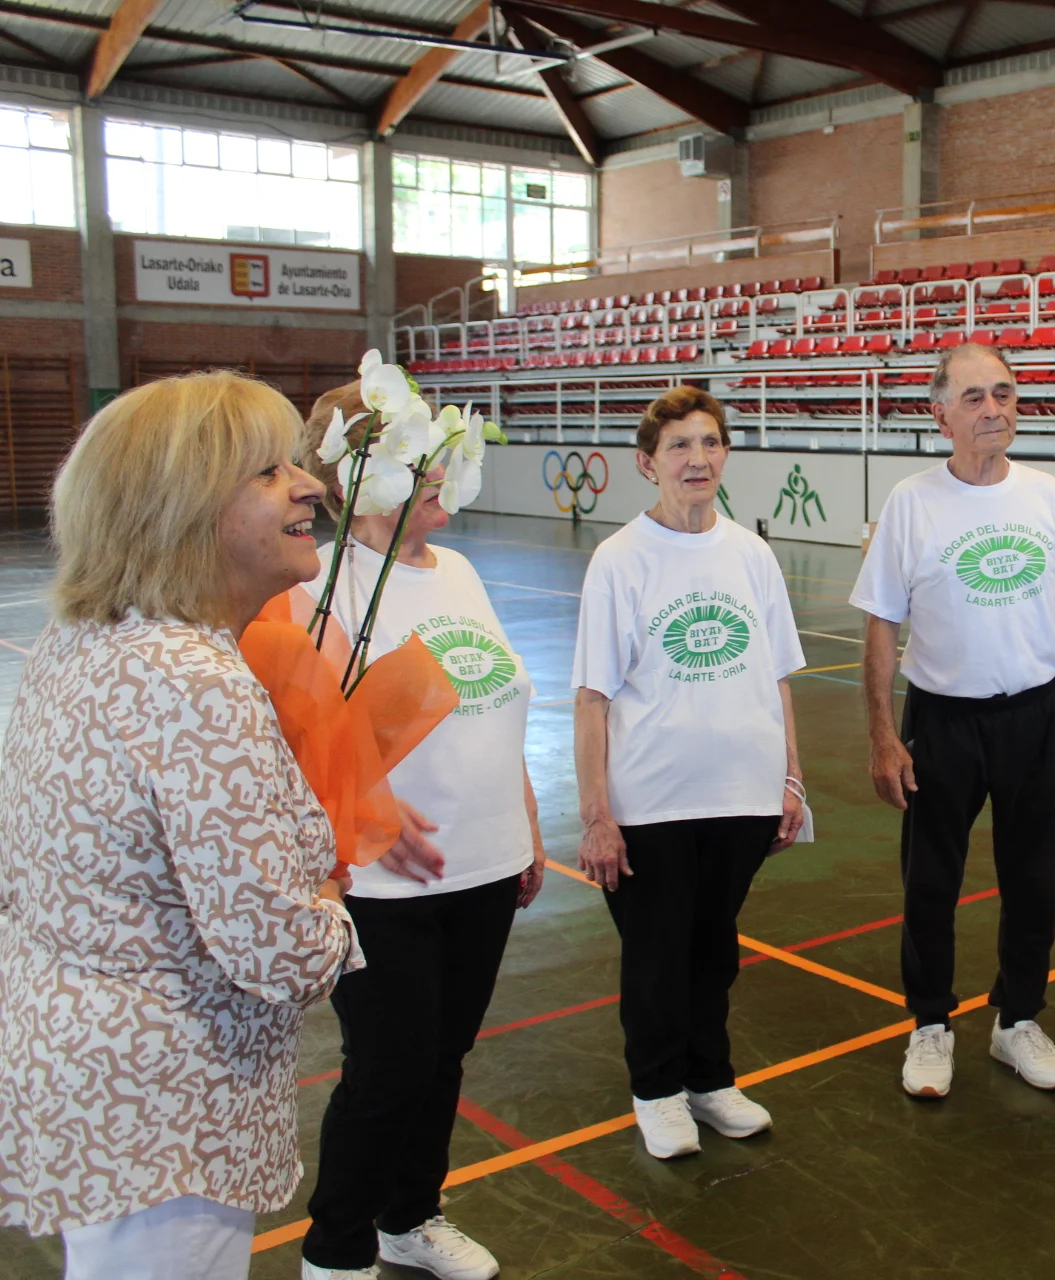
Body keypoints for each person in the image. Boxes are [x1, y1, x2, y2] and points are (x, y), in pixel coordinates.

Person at [0, 372, 360, 1278]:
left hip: (89, 1078)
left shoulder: (85, 640)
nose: (309, 486)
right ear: (185, 510)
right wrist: (328, 897)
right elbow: (278, 952)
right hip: (167, 1105)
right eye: (270, 472)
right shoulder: (192, 681)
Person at [296, 385, 545, 1280]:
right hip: (383, 881)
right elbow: (301, 742)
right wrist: (366, 810)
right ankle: (336, 1249)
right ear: (358, 477)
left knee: (443, 1058)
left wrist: (525, 821)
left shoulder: (461, 572)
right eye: (417, 455)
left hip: (485, 864)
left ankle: (410, 1216)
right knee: (388, 1068)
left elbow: (495, 698)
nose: (442, 470)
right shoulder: (320, 588)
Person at [853, 343, 1055, 1100]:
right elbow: (881, 626)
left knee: (1033, 881)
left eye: (1003, 393)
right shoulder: (912, 503)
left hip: (1035, 716)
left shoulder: (1048, 497)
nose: (994, 409)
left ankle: (1017, 1019)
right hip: (942, 721)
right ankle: (930, 1022)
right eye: (974, 397)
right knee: (931, 882)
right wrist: (883, 735)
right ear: (940, 417)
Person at [573, 386, 807, 1159]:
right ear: (648, 464)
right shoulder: (620, 560)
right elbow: (593, 697)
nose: (697, 459)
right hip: (652, 804)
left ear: (726, 455)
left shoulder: (751, 554)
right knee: (656, 959)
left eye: (710, 443)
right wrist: (598, 815)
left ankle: (709, 1080)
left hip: (742, 797)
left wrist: (791, 780)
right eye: (679, 446)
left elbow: (777, 677)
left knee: (713, 951)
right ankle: (657, 1092)